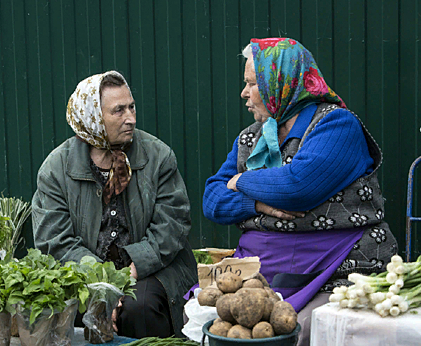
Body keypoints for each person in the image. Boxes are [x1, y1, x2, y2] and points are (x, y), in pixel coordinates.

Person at [202, 38, 397, 345]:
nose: (244, 93)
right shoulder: (252, 137)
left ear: (279, 84)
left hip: (336, 267)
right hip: (264, 268)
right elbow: (212, 199)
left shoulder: (336, 125)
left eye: (252, 83)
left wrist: (239, 182)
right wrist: (257, 204)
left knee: (299, 331)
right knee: (211, 322)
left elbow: (297, 187)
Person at [32, 70, 198, 339]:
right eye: (118, 111)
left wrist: (126, 276)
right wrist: (103, 283)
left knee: (137, 307)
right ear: (93, 118)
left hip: (150, 269)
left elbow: (172, 225)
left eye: (131, 107)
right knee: (75, 307)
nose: (130, 118)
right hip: (84, 271)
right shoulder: (55, 169)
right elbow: (55, 241)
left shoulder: (158, 156)